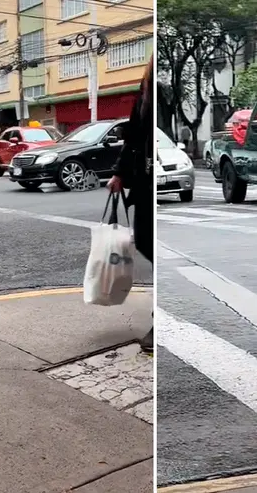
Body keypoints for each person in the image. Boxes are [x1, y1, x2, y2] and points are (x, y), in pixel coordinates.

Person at [107, 55, 155, 353]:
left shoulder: (159, 90)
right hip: (143, 179)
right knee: (145, 244)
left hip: (156, 181)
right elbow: (134, 135)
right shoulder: (145, 89)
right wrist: (119, 173)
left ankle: (158, 319)